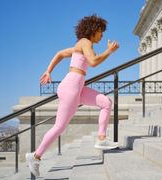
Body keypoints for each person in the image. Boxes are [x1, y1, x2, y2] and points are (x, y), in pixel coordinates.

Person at [26, 14, 119, 177]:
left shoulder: (81, 45)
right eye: (101, 31)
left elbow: (60, 53)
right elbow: (94, 62)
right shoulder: (85, 42)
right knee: (59, 126)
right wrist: (109, 51)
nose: (102, 35)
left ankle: (101, 138)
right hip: (71, 87)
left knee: (106, 102)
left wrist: (49, 70)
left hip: (78, 87)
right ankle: (35, 156)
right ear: (94, 30)